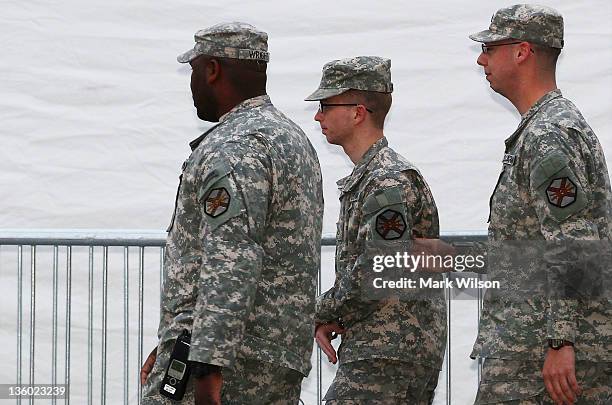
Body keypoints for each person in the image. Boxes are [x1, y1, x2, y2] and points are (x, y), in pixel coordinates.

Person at [140, 22, 324, 405]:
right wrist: (177, 343)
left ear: (212, 70)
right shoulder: (291, 139)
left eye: (193, 71)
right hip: (276, 359)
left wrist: (206, 362)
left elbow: (232, 257)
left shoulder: (233, 146)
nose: (192, 84)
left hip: (230, 365)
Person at [468, 4, 612, 405]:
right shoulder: (547, 128)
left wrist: (560, 339)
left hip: (533, 353)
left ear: (521, 52)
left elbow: (574, 241)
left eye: (490, 47)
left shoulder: (548, 134)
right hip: (530, 344)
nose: (481, 58)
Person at [305, 56, 446, 404]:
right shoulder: (372, 178)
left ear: (357, 112)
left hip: (389, 350)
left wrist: (321, 310)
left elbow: (380, 267)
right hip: (384, 344)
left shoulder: (386, 181)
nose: (317, 116)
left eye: (326, 105)